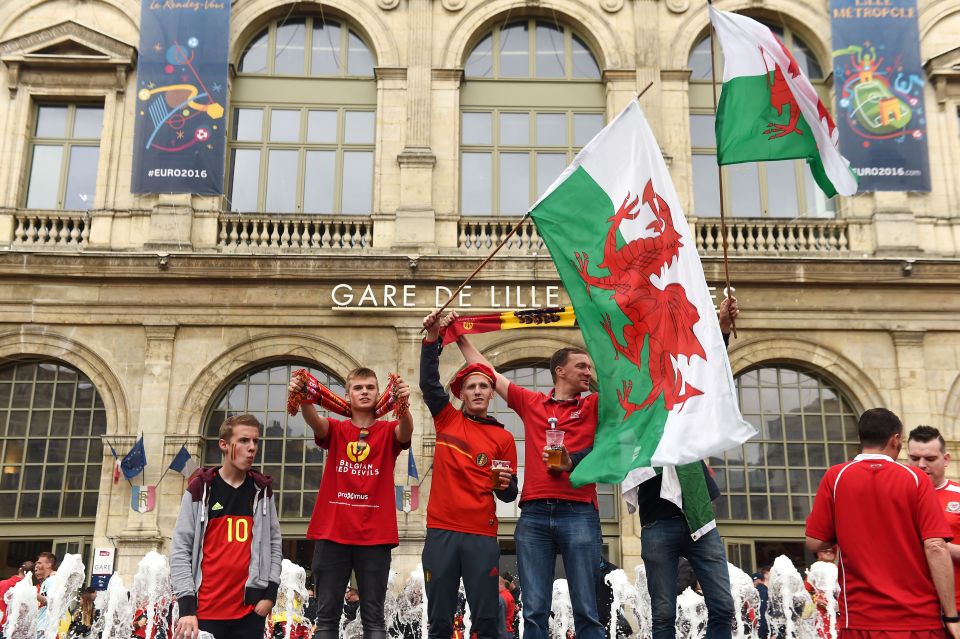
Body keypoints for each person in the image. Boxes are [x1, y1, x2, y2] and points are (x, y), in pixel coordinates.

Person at [445, 316, 604, 639]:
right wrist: (459, 335)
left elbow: (633, 386)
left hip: (579, 511)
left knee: (587, 608)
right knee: (533, 611)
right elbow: (489, 371)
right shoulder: (532, 403)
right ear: (560, 371)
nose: (589, 372)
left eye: (590, 367)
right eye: (582, 367)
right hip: (532, 513)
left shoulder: (595, 406)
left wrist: (572, 462)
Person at [623, 297, 740, 639]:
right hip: (657, 522)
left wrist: (722, 327)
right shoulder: (633, 403)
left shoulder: (685, 399)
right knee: (662, 615)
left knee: (722, 606)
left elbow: (710, 372)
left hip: (700, 519)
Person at [806, 408, 960, 639]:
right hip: (917, 618)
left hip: (859, 618)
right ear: (895, 439)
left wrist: (846, 531)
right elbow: (936, 547)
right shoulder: (914, 478)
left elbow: (815, 541)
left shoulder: (836, 476)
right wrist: (951, 616)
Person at [290, 367, 412, 639]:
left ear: (379, 393)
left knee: (374, 619)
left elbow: (406, 432)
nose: (365, 392)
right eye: (358, 388)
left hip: (375, 536)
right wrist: (305, 396)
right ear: (348, 395)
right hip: (333, 533)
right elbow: (315, 421)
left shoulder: (389, 429)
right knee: (326, 619)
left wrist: (403, 404)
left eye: (370, 387)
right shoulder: (336, 428)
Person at [420, 310, 519, 639]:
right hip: (441, 533)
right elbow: (428, 383)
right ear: (461, 393)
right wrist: (432, 339)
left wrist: (506, 486)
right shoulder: (447, 419)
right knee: (440, 623)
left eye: (484, 386)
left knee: (488, 622)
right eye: (471, 386)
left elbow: (508, 494)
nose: (477, 391)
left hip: (482, 535)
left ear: (492, 394)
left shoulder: (504, 438)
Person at [171, 414, 282, 639]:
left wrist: (270, 595)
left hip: (249, 614)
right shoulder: (200, 489)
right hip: (204, 613)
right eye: (243, 441)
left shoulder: (262, 491)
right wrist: (187, 609)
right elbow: (181, 549)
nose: (251, 448)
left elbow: (274, 543)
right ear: (224, 444)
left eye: (255, 441)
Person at [908, 424, 960, 614]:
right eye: (914, 458)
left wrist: (935, 546)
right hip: (912, 610)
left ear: (946, 459)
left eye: (930, 458)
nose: (921, 465)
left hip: (957, 607)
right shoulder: (896, 498)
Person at [0, 560, 33, 638]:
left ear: (19, 569)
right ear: (31, 574)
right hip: (15, 631)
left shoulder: (2, 583)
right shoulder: (31, 591)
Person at [34, 551, 57, 639]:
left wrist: (31, 592)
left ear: (49, 565)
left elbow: (50, 601)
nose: (37, 565)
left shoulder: (53, 580)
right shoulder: (47, 581)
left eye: (40, 563)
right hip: (41, 627)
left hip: (45, 628)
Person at [751, 568, 769, 639]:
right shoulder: (765, 591)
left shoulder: (762, 592)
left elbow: (762, 613)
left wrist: (762, 633)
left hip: (761, 631)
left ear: (757, 580)